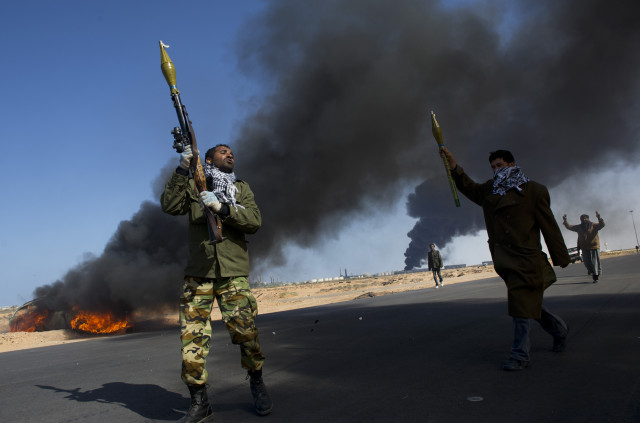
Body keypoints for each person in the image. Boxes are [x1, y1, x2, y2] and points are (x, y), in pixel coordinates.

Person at [161, 143, 273, 421]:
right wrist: (181, 170)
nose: (230, 154)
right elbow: (170, 205)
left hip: (233, 274)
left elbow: (254, 220)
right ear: (207, 160)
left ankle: (257, 382)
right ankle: (200, 401)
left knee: (247, 336)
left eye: (232, 152)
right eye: (223, 152)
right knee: (192, 342)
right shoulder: (192, 185)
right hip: (198, 275)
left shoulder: (241, 188)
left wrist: (223, 208)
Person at [440, 147, 570, 371]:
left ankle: (519, 355)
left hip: (527, 259)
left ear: (511, 165)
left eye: (499, 165)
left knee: (520, 309)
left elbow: (549, 226)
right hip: (505, 259)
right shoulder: (491, 190)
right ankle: (559, 330)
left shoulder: (534, 191)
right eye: (492, 167)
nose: (496, 170)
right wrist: (453, 164)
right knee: (527, 305)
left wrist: (560, 256)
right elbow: (468, 187)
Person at [562, 212, 605, 283]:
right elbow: (569, 227)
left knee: (595, 262)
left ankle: (596, 276)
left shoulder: (594, 225)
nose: (584, 220)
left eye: (585, 218)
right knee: (586, 263)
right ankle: (592, 271)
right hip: (584, 247)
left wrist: (599, 218)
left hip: (594, 246)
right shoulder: (579, 227)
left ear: (588, 219)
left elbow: (602, 224)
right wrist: (565, 221)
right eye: (582, 219)